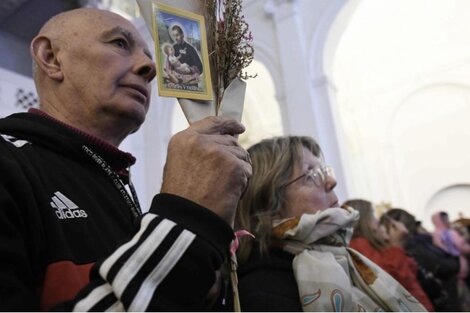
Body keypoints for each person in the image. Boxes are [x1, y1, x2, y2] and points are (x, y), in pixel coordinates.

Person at [0, 8, 251, 311]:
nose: (150, 67)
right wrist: (184, 222)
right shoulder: (9, 164)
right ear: (51, 57)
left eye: (149, 55)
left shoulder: (113, 179)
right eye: (120, 43)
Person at [233, 136, 426, 311]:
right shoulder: (264, 295)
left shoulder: (342, 257)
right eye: (311, 174)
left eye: (323, 170)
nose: (331, 181)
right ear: (270, 201)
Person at [346, 199, 434, 311]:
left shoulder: (367, 242)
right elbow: (390, 279)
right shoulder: (360, 244)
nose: (377, 220)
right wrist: (396, 243)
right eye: (372, 215)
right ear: (363, 219)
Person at [384, 208, 461, 311]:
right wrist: (455, 262)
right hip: (436, 299)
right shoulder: (408, 247)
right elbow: (437, 266)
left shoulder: (413, 244)